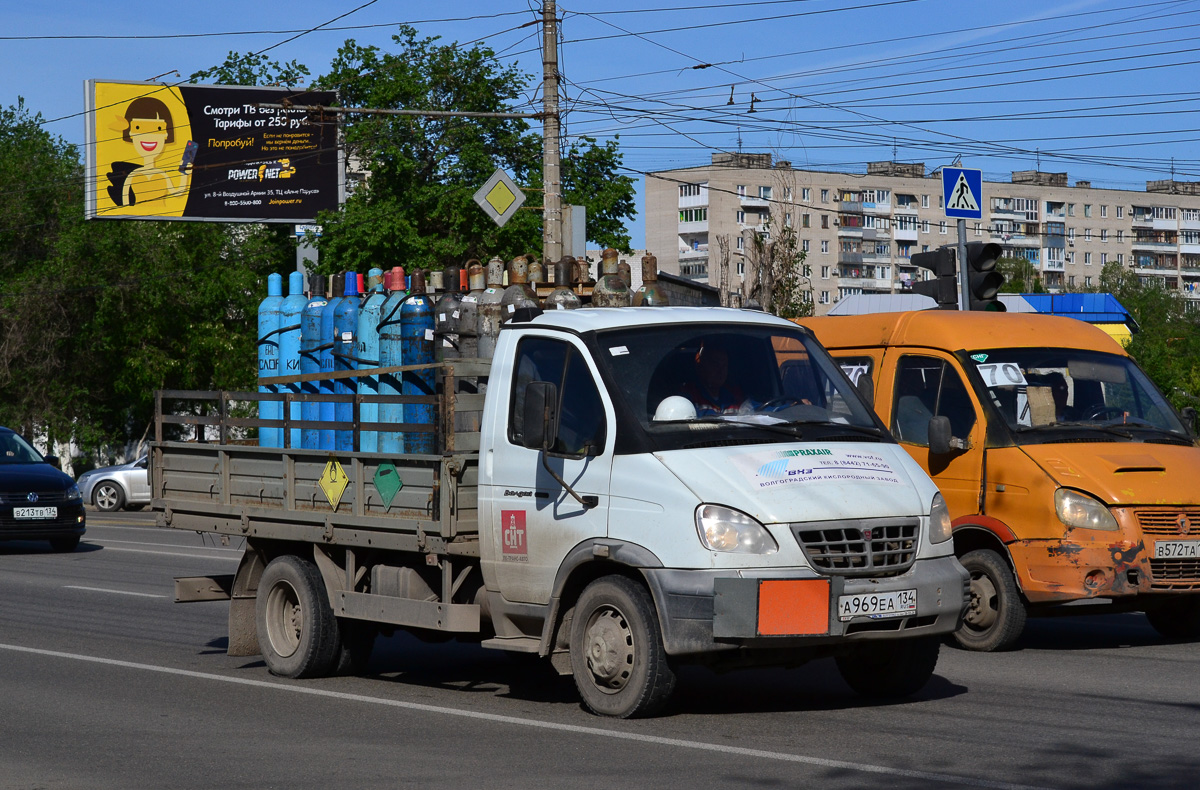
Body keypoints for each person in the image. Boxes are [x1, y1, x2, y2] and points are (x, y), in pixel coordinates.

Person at [681, 345, 744, 415]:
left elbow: (755, 411)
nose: (721, 371)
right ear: (701, 367)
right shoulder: (688, 397)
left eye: (724, 365)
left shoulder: (735, 396)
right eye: (716, 365)